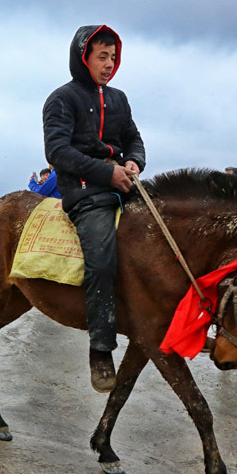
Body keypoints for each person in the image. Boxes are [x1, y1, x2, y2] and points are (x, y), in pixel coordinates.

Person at [43, 24, 146, 393]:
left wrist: (134, 161)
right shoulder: (62, 99)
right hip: (85, 193)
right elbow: (57, 152)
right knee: (102, 261)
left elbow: (133, 138)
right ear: (83, 57)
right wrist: (107, 171)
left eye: (113, 57)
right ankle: (101, 349)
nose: (109, 63)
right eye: (102, 56)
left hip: (125, 186)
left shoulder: (119, 98)